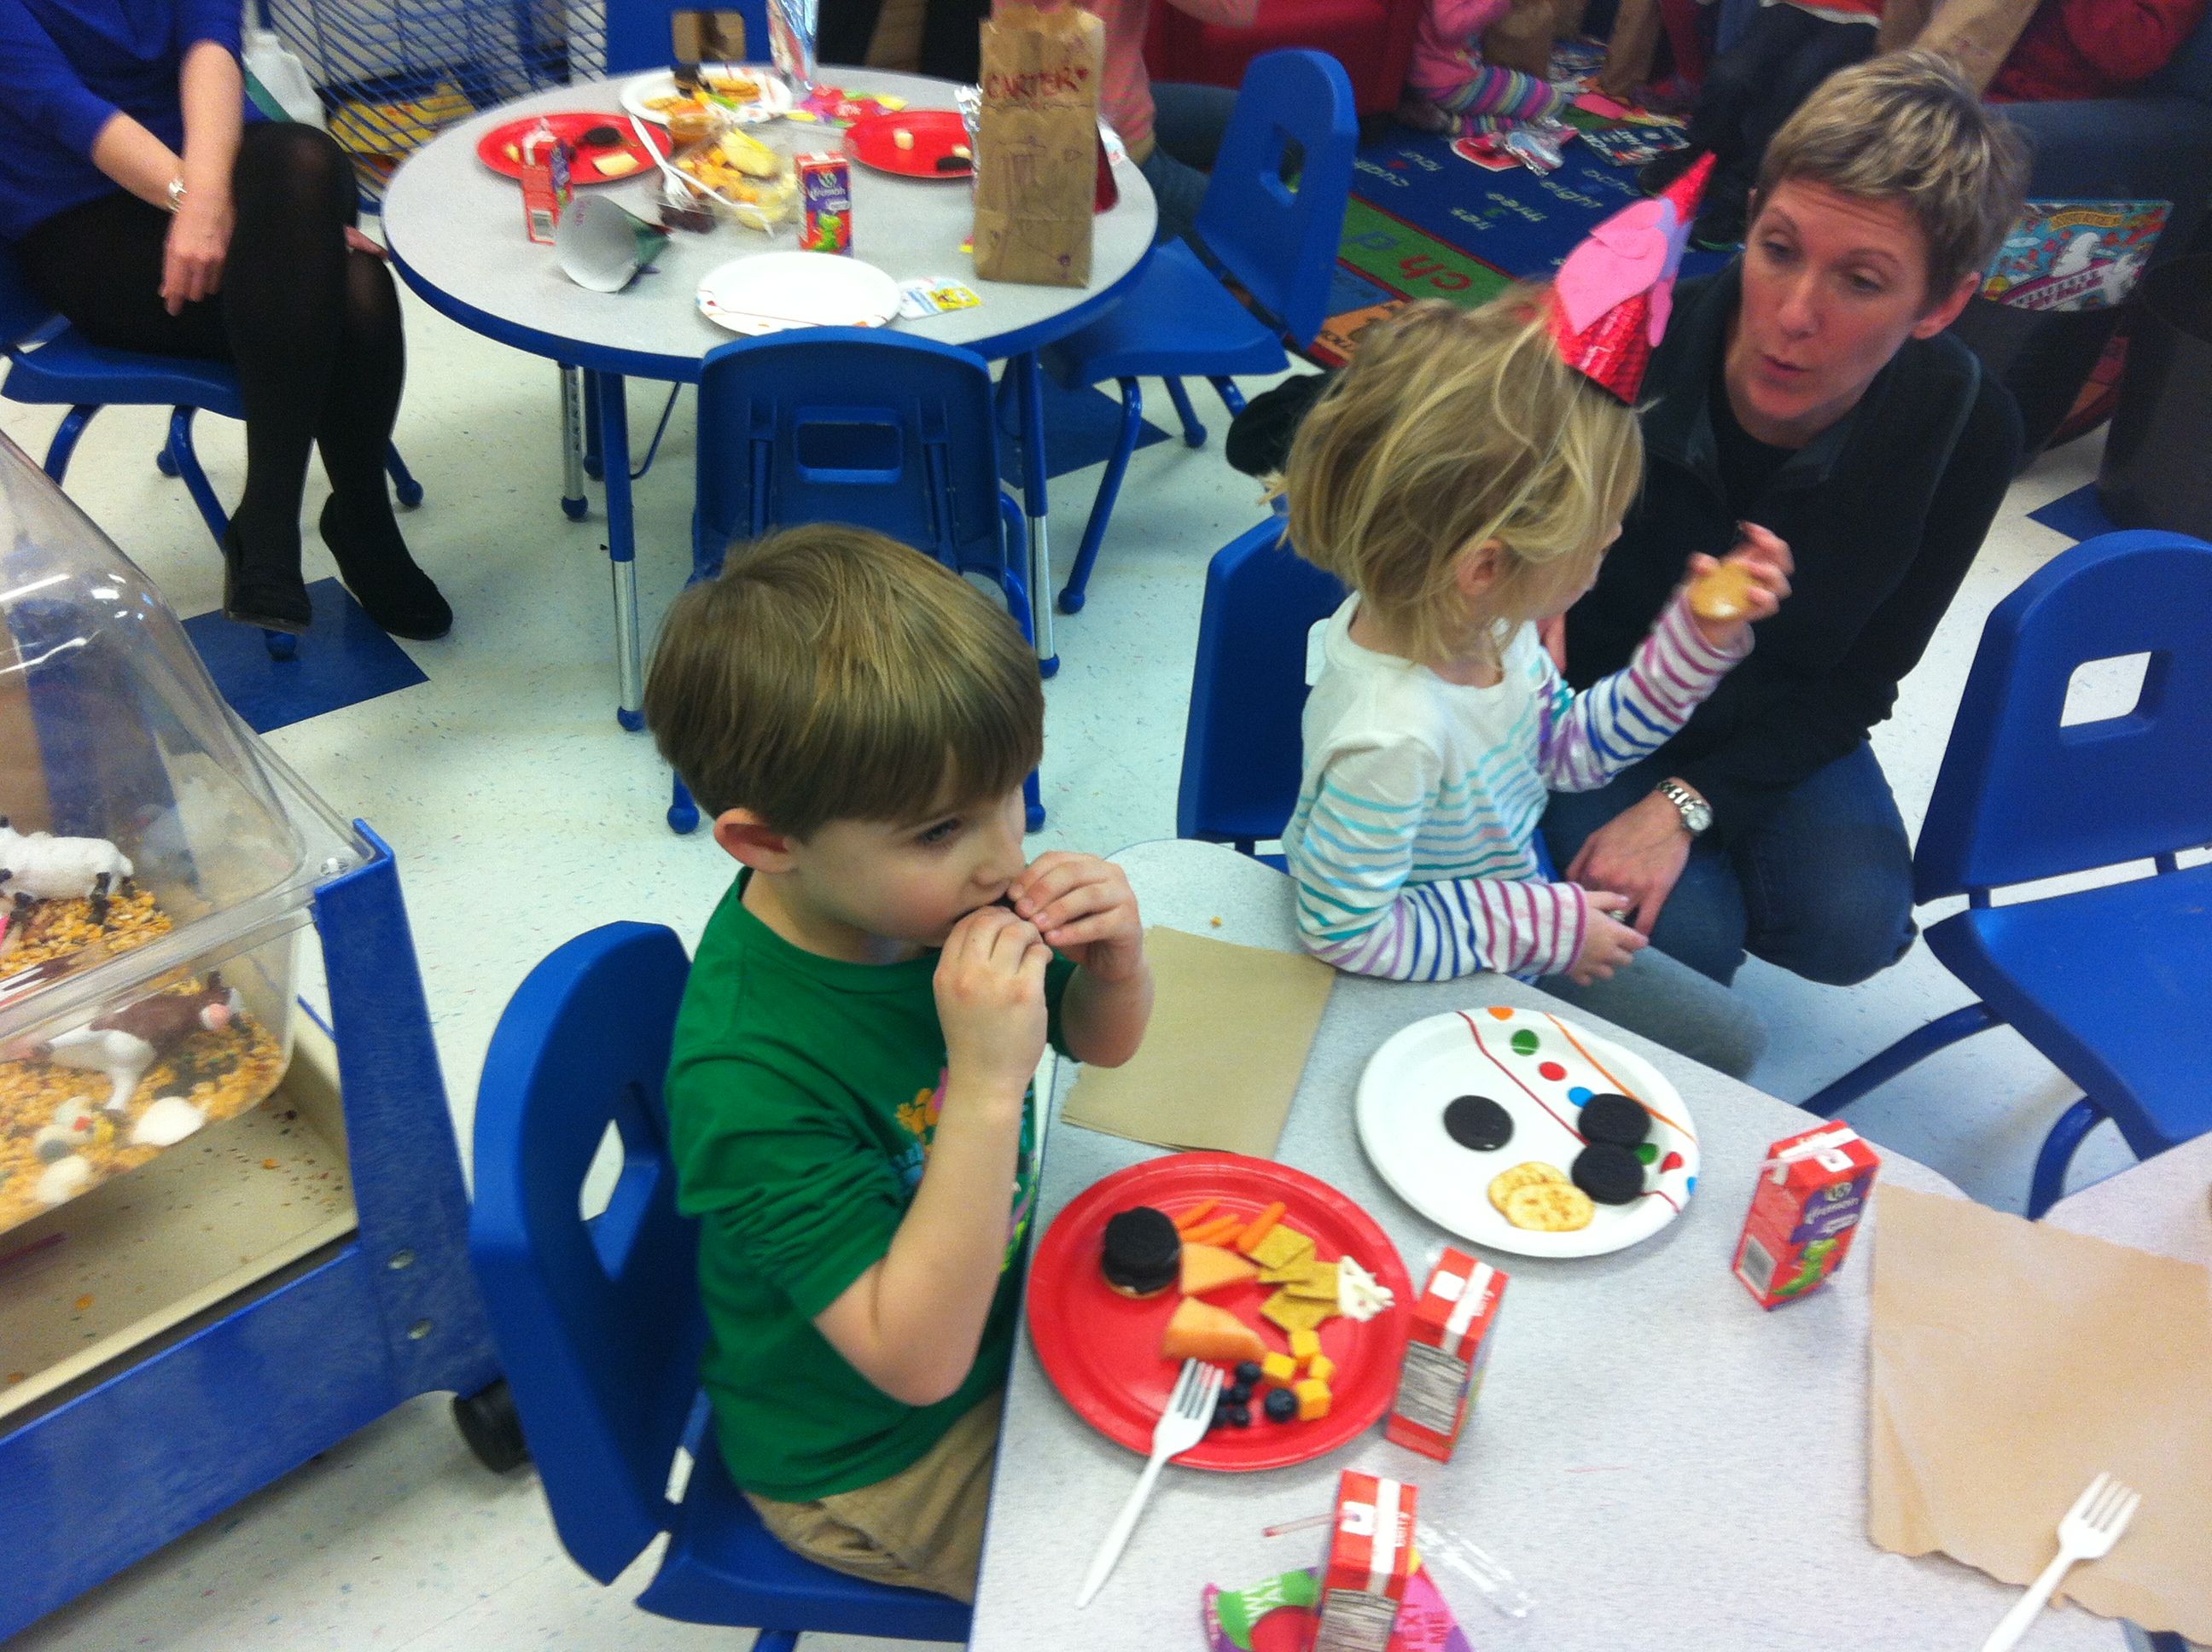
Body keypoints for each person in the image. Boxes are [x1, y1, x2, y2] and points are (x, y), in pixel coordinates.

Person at [643, 525, 1155, 1602]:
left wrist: (1117, 966)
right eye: (938, 831)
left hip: (995, 1319)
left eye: (1014, 793)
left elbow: (1103, 1044)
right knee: (1138, 1594)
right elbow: (916, 1365)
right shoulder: (748, 1074)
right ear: (767, 843)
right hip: (873, 1456)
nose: (1004, 857)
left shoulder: (920, 911)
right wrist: (988, 1086)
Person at [1537, 51, 2028, 992]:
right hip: (1590, 714)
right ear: (1753, 213)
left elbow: (1863, 679)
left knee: (1852, 927)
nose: (1793, 315)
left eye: (1861, 281)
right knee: (1683, 946)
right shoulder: (1625, 340)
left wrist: (1686, 806)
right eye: (1778, 249)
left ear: (1942, 304)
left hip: (1773, 712)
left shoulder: (1968, 427)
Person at [1277, 290, 1788, 1079]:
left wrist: (1690, 642)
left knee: (1733, 1043)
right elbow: (1344, 933)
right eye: (1599, 529)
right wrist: (1540, 927)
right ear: (1486, 567)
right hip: (1413, 984)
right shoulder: (1393, 737)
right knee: (1714, 1055)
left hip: (1502, 925)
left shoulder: (1493, 633)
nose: (1615, 535)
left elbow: (1571, 752)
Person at [0, 0, 448, 639]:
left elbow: (210, 44)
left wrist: (217, 206)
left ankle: (272, 520)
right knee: (352, 286)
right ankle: (353, 523)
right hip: (80, 208)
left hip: (218, 161)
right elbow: (59, 104)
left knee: (309, 157)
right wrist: (258, 228)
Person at [1635, 0, 1883, 249]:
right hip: (1797, 4)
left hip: (1867, 18)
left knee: (1797, 83)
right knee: (1730, 74)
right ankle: (1703, 156)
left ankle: (1746, 193)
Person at [1080, 0, 1254, 247]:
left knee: (1278, 132)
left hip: (1121, 109)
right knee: (1276, 243)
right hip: (1092, 157)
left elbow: (1237, 10)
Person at [1400, 0, 1570, 137]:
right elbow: (1450, 26)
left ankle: (1435, 114)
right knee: (1553, 105)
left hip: (1437, 74)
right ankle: (1453, 123)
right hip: (1451, 81)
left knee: (1531, 101)